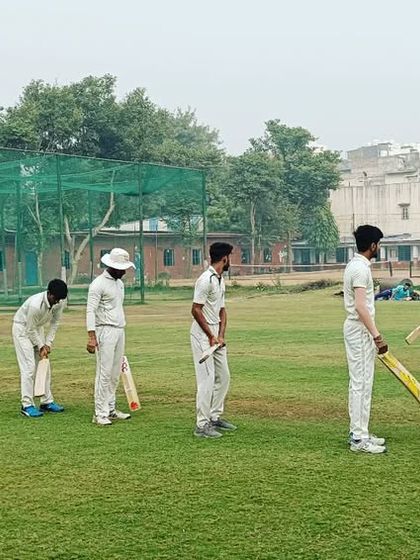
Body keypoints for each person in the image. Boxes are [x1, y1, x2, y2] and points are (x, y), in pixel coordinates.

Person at [343, 225, 389, 454]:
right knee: (360, 383)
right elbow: (361, 306)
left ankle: (361, 431)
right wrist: (377, 335)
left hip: (360, 330)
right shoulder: (360, 269)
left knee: (364, 382)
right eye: (378, 244)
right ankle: (358, 438)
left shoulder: (357, 265)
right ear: (372, 245)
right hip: (359, 331)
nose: (378, 248)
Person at [191, 242, 236, 438]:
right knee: (206, 380)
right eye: (230, 257)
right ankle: (202, 425)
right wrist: (210, 335)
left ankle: (214, 417)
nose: (230, 261)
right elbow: (195, 309)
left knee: (224, 377)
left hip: (216, 335)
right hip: (202, 335)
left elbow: (222, 310)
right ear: (224, 258)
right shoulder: (205, 280)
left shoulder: (220, 279)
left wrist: (221, 335)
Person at [86, 248, 135, 426]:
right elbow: (90, 310)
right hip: (104, 331)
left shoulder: (119, 284)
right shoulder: (98, 284)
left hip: (119, 329)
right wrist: (92, 337)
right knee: (104, 373)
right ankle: (100, 413)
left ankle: (111, 409)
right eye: (121, 268)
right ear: (111, 266)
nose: (124, 271)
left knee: (115, 373)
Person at [13, 279, 68, 418]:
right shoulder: (35, 305)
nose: (57, 302)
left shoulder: (59, 302)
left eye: (60, 299)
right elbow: (29, 329)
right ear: (49, 293)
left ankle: (46, 402)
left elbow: (55, 323)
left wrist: (48, 344)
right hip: (23, 330)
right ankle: (27, 405)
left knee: (44, 365)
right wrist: (41, 345)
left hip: (37, 329)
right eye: (55, 298)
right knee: (29, 367)